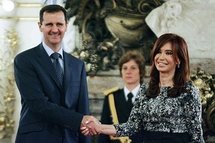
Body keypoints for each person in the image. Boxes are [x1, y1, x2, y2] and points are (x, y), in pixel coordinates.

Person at [82, 33, 205, 143]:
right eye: (158, 51)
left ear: (178, 59)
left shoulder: (188, 91)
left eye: (168, 53)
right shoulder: (146, 90)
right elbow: (131, 126)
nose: (161, 57)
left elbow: (197, 136)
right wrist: (100, 127)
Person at [14, 4, 93, 143]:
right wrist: (79, 120)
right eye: (49, 24)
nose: (55, 29)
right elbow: (38, 104)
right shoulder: (24, 60)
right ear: (40, 26)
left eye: (59, 24)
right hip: (36, 139)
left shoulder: (78, 65)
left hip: (69, 139)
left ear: (66, 26)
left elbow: (83, 108)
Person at [98, 51, 145, 143]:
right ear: (121, 72)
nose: (128, 72)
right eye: (125, 68)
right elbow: (103, 131)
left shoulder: (149, 96)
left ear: (141, 71)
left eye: (133, 68)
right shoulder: (111, 97)